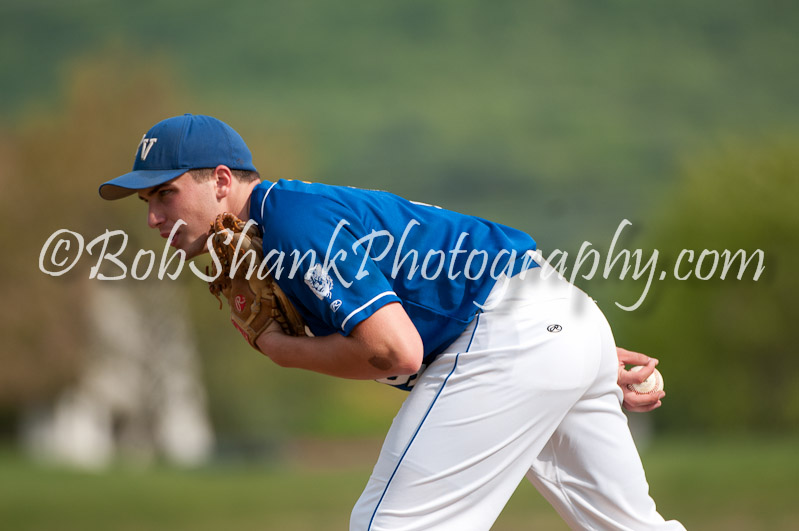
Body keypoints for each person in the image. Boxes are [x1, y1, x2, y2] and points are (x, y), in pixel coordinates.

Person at [99, 114, 683, 530]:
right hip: (554, 319)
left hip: (512, 339)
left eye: (165, 194)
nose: (153, 217)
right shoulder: (298, 212)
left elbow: (396, 351)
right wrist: (583, 356)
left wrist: (283, 349)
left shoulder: (293, 226)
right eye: (146, 202)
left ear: (221, 181)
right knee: (629, 524)